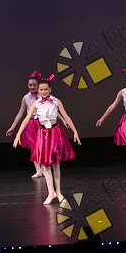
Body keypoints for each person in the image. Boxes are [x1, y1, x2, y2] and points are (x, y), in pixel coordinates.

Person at [13, 75, 81, 204]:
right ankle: (51, 193)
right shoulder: (36, 104)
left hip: (55, 133)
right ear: (38, 91)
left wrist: (75, 131)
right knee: (45, 165)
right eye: (41, 90)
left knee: (56, 164)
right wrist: (18, 135)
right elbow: (26, 119)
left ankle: (59, 193)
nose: (43, 92)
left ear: (50, 89)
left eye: (45, 89)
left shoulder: (56, 101)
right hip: (42, 135)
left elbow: (66, 116)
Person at [6, 70, 45, 178]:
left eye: (34, 85)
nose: (32, 87)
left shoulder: (42, 95)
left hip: (41, 123)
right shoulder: (26, 98)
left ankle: (44, 168)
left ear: (38, 85)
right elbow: (20, 114)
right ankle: (38, 170)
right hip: (30, 124)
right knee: (33, 147)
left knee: (42, 146)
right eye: (30, 85)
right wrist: (12, 127)